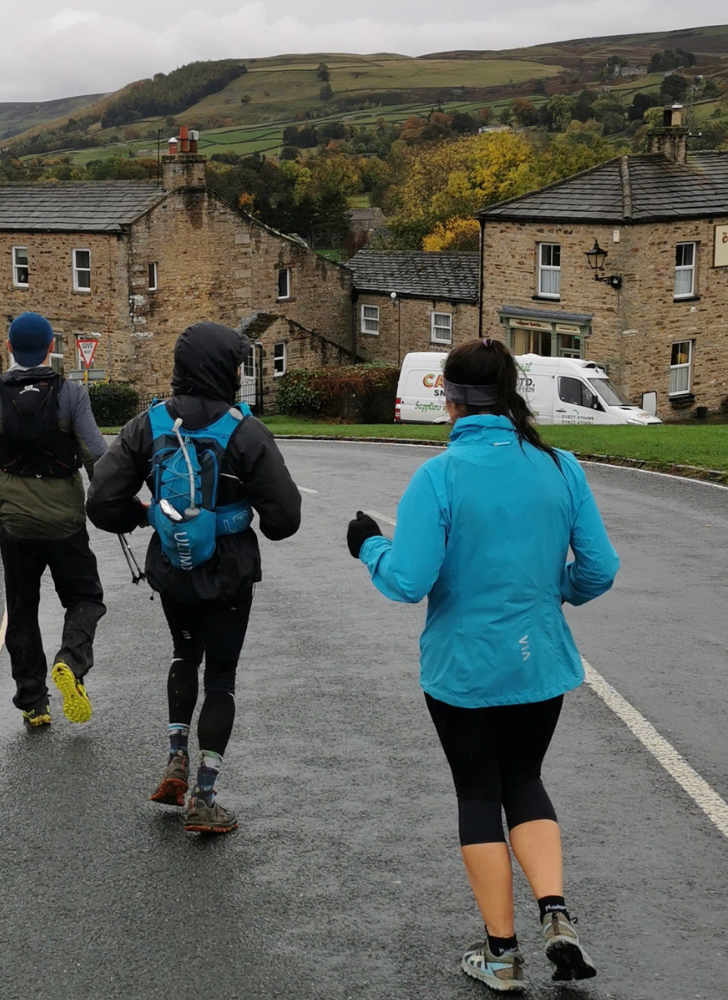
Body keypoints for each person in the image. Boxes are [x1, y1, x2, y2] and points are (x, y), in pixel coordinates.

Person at [345, 337, 617, 991]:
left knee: (479, 794)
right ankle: (554, 909)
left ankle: (501, 953)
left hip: (463, 669)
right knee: (524, 779)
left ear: (450, 397)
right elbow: (600, 569)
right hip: (539, 662)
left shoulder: (438, 476)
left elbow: (409, 580)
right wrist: (557, 594)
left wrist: (368, 548)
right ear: (511, 392)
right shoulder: (561, 467)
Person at [87, 322, 300, 834]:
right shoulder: (245, 430)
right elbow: (284, 519)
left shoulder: (149, 424)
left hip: (173, 569)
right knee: (221, 678)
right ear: (224, 369)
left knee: (185, 654)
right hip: (228, 570)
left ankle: (175, 762)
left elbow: (100, 502)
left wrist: (147, 517)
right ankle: (204, 798)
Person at [0, 312, 109, 728]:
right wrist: (105, 499)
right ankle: (70, 660)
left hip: (16, 523)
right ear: (51, 348)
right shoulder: (71, 394)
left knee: (21, 609)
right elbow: (97, 455)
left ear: (10, 349)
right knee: (85, 598)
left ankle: (34, 703)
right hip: (65, 521)